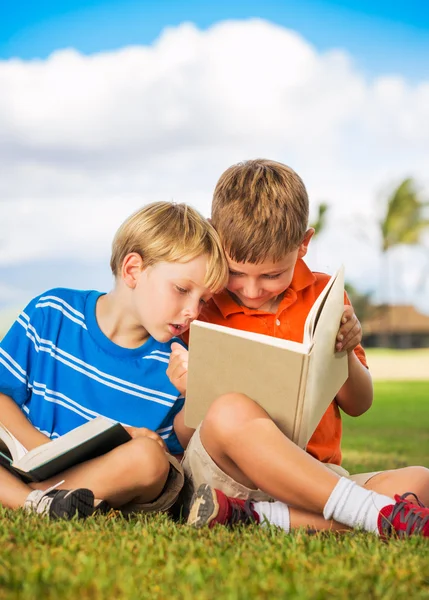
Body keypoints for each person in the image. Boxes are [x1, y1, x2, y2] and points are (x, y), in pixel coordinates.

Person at [167, 159, 429, 538]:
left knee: (420, 482)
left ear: (303, 244)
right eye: (236, 272)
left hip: (315, 478)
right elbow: (183, 436)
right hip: (228, 474)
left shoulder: (326, 297)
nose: (252, 290)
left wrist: (345, 351)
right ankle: (362, 513)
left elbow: (359, 404)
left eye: (272, 275)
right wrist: (196, 394)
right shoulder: (201, 307)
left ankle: (257, 517)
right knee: (229, 411)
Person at [0, 201, 228, 520]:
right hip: (23, 457)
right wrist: (39, 448)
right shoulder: (53, 311)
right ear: (132, 270)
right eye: (181, 289)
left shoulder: (176, 364)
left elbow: (172, 455)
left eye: (202, 300)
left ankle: (33, 500)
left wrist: (190, 397)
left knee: (150, 459)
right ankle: (37, 500)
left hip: (100, 479)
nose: (193, 310)